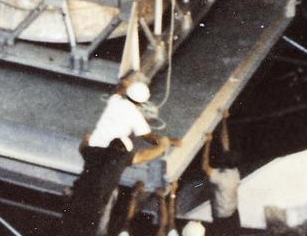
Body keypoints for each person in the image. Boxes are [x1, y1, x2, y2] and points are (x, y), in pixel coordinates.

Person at [63, 75, 176, 236]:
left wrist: (124, 85)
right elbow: (145, 151)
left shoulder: (94, 152)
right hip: (89, 204)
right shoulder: (121, 157)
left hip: (80, 197)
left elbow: (83, 145)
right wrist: (165, 143)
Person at [202, 121, 240, 234]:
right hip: (232, 211)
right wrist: (224, 120)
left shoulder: (221, 178)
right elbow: (225, 142)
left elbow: (204, 166)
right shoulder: (235, 171)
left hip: (221, 215)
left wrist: (207, 143)